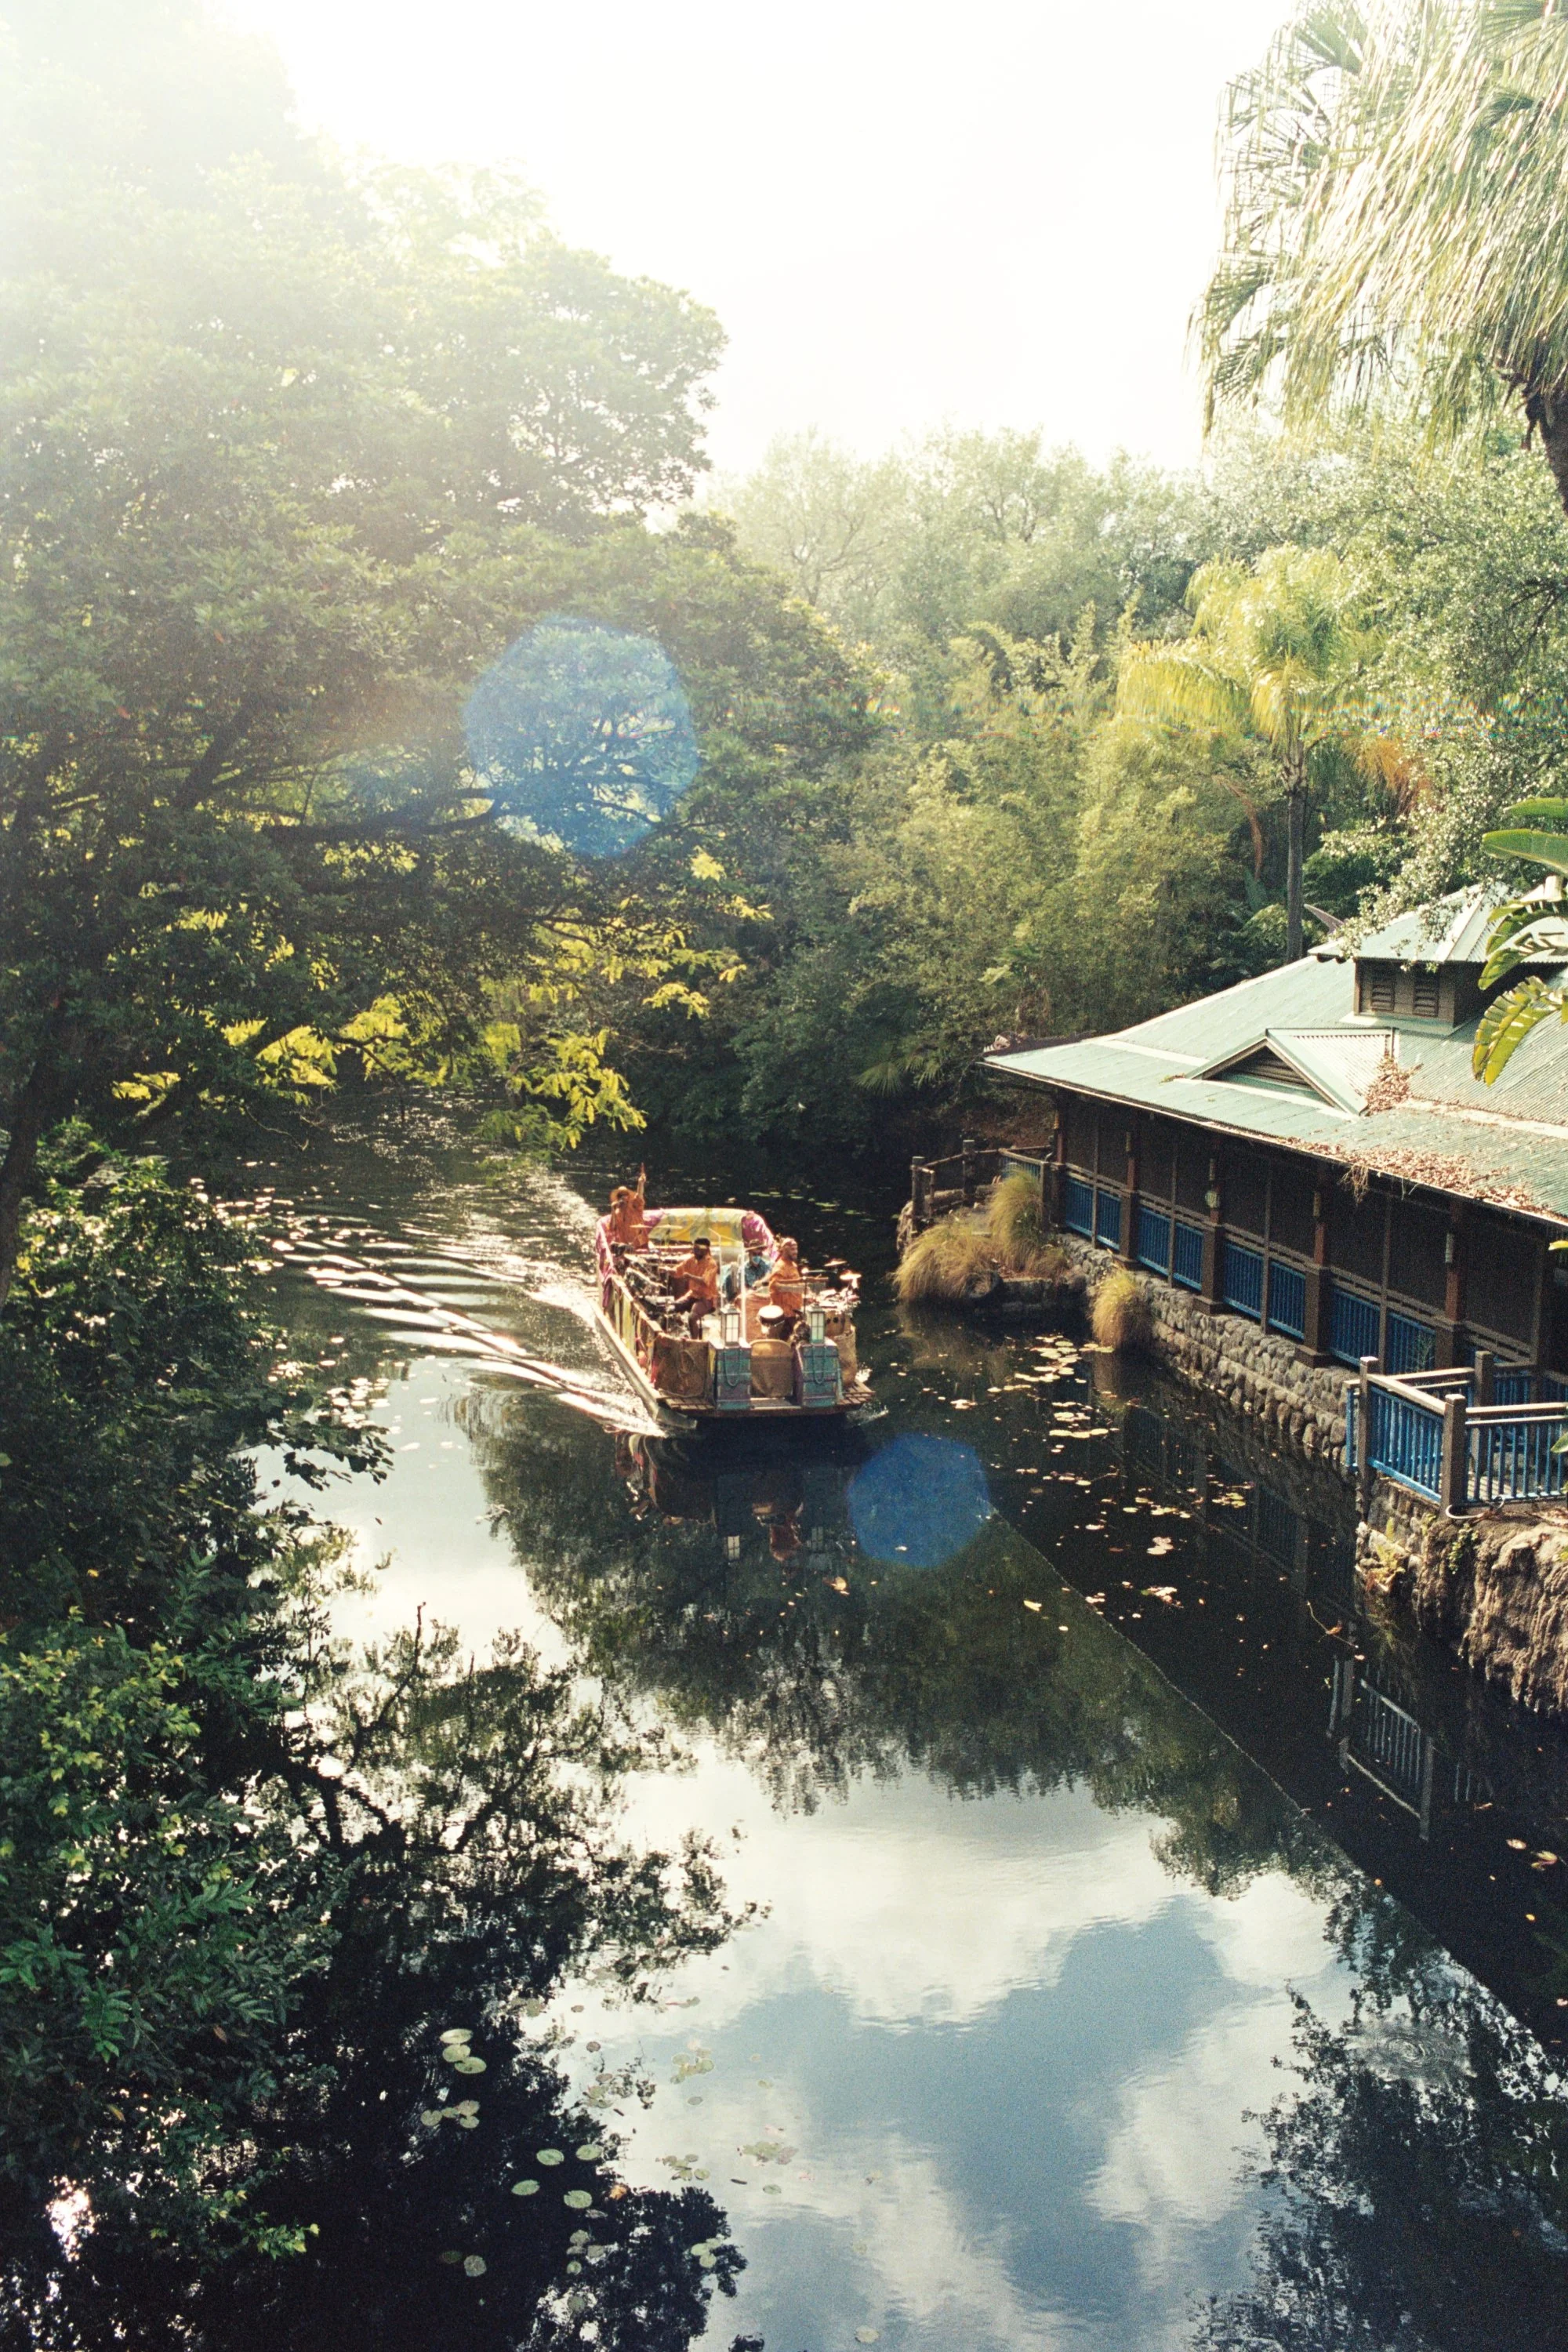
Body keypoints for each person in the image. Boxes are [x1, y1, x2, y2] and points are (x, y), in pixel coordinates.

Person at [672, 1236, 720, 1329]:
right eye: (694, 1249)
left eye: (697, 1249)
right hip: (692, 1295)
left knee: (692, 1318)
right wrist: (667, 1270)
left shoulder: (711, 1264)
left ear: (705, 1250)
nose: (694, 1251)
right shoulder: (691, 1260)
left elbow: (705, 1282)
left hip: (706, 1298)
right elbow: (678, 1270)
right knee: (672, 1307)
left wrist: (690, 1276)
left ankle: (695, 1342)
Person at [608, 1166, 650, 1250]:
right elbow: (612, 1227)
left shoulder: (634, 1206)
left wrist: (640, 1183)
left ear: (628, 1196)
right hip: (626, 1246)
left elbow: (639, 1196)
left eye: (625, 1195)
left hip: (641, 1243)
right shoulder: (617, 1212)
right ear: (618, 1198)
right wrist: (613, 1209)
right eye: (621, 1196)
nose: (623, 1197)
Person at [768, 1236, 804, 1319]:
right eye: (793, 1250)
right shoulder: (780, 1266)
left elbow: (797, 1284)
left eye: (796, 1249)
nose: (796, 1252)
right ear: (785, 1251)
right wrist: (795, 1288)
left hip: (795, 1311)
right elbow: (775, 1286)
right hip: (783, 1314)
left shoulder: (794, 1265)